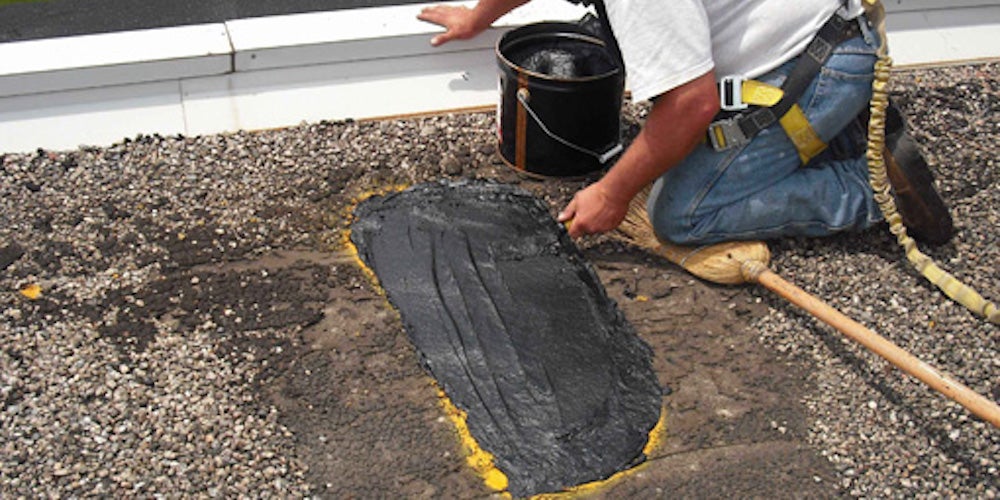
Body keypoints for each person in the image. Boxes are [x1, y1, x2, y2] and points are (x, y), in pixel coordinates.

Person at [417, 0, 953, 245]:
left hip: (814, 69)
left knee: (683, 215)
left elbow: (692, 105)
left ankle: (873, 190)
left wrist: (611, 193)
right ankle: (840, 130)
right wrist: (477, 17)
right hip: (821, 35)